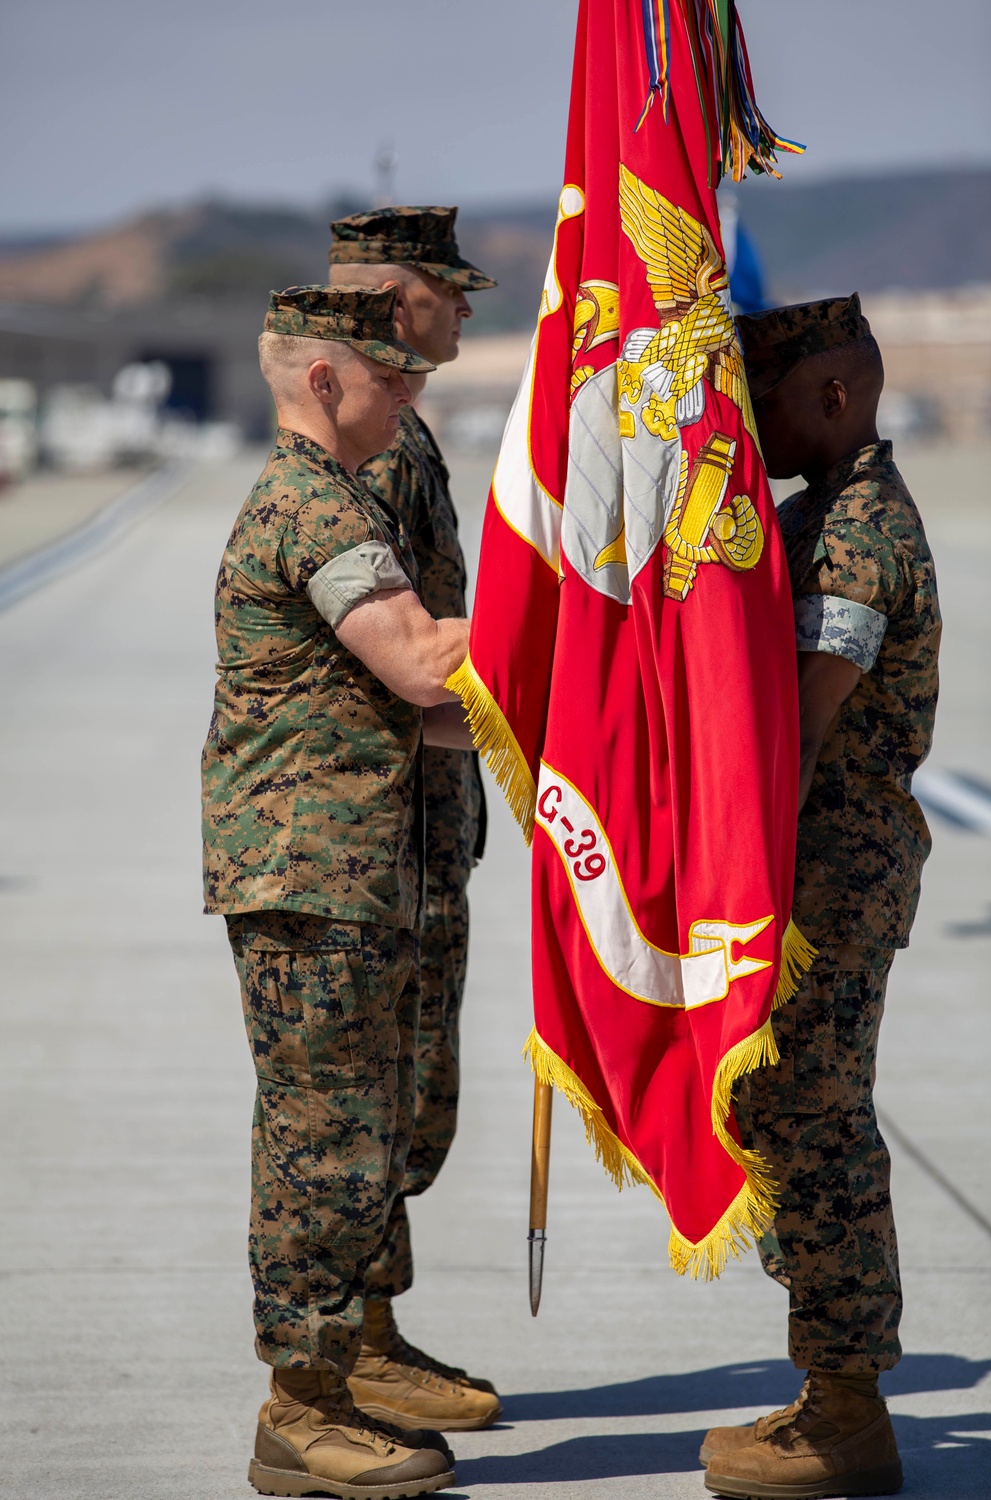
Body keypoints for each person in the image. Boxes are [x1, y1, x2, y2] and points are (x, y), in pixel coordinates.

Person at [201, 283, 474, 1500]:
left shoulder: (347, 495)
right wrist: (585, 623)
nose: (411, 390)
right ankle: (298, 1411)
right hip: (312, 875)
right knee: (321, 1145)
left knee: (355, 1139)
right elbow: (422, 665)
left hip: (351, 867)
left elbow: (431, 713)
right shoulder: (312, 506)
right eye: (389, 376)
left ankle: (338, 1375)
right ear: (322, 380)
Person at [701, 295, 942, 1500]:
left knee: (818, 1124)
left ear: (836, 399)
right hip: (802, 867)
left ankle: (848, 1410)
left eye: (768, 404)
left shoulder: (857, 536)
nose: (749, 428)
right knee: (786, 1120)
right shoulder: (810, 518)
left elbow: (796, 724)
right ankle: (829, 1387)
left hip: (831, 874)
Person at [324, 207, 501, 1431]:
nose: (469, 308)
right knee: (371, 1096)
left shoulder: (405, 433)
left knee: (410, 1092)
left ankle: (374, 1327)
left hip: (423, 811)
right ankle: (348, 1346)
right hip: (379, 827)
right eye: (449, 288)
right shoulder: (370, 454)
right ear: (398, 293)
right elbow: (409, 658)